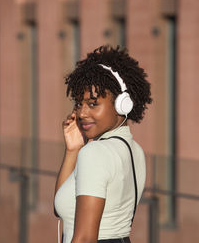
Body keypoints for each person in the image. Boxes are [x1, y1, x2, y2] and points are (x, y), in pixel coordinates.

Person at [54, 45, 152, 243]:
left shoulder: (95, 153)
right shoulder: (135, 150)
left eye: (93, 104)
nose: (82, 113)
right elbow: (60, 208)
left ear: (121, 104)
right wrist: (73, 150)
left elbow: (84, 238)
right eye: (79, 103)